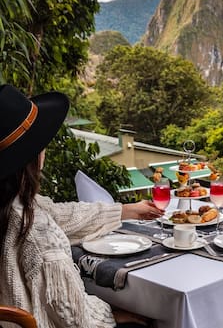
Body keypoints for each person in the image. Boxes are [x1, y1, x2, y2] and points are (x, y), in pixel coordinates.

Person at [0, 84, 164, 327]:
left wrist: (125, 210)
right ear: (33, 157)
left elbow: (60, 214)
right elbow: (72, 314)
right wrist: (111, 313)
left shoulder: (13, 207)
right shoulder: (34, 228)